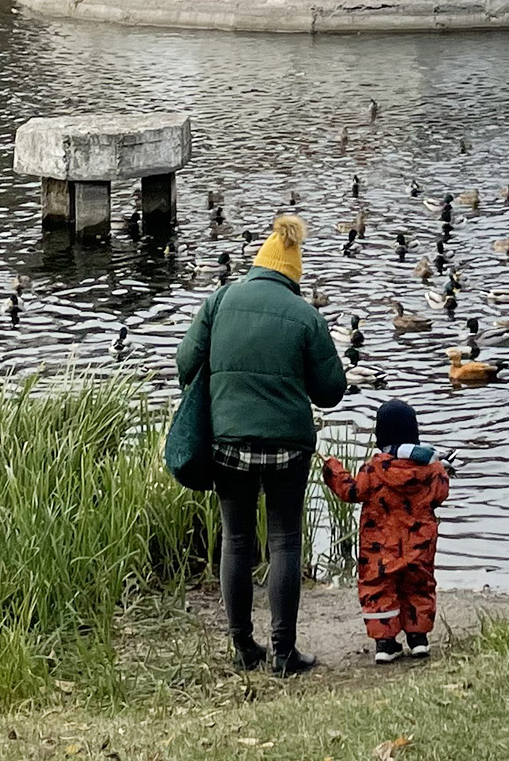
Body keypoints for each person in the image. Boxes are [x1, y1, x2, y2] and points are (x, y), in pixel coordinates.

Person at [176, 213, 347, 676]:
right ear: (294, 273)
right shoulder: (306, 315)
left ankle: (242, 647)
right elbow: (331, 390)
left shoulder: (221, 299)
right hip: (288, 449)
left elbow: (185, 363)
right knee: (285, 542)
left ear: (258, 262)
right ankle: (284, 652)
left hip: (228, 444)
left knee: (236, 540)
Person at [323, 397, 450, 663]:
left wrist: (333, 467)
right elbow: (440, 495)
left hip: (379, 546)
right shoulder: (433, 468)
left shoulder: (374, 469)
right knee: (419, 586)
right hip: (420, 544)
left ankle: (386, 643)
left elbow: (352, 491)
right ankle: (419, 640)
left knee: (378, 588)